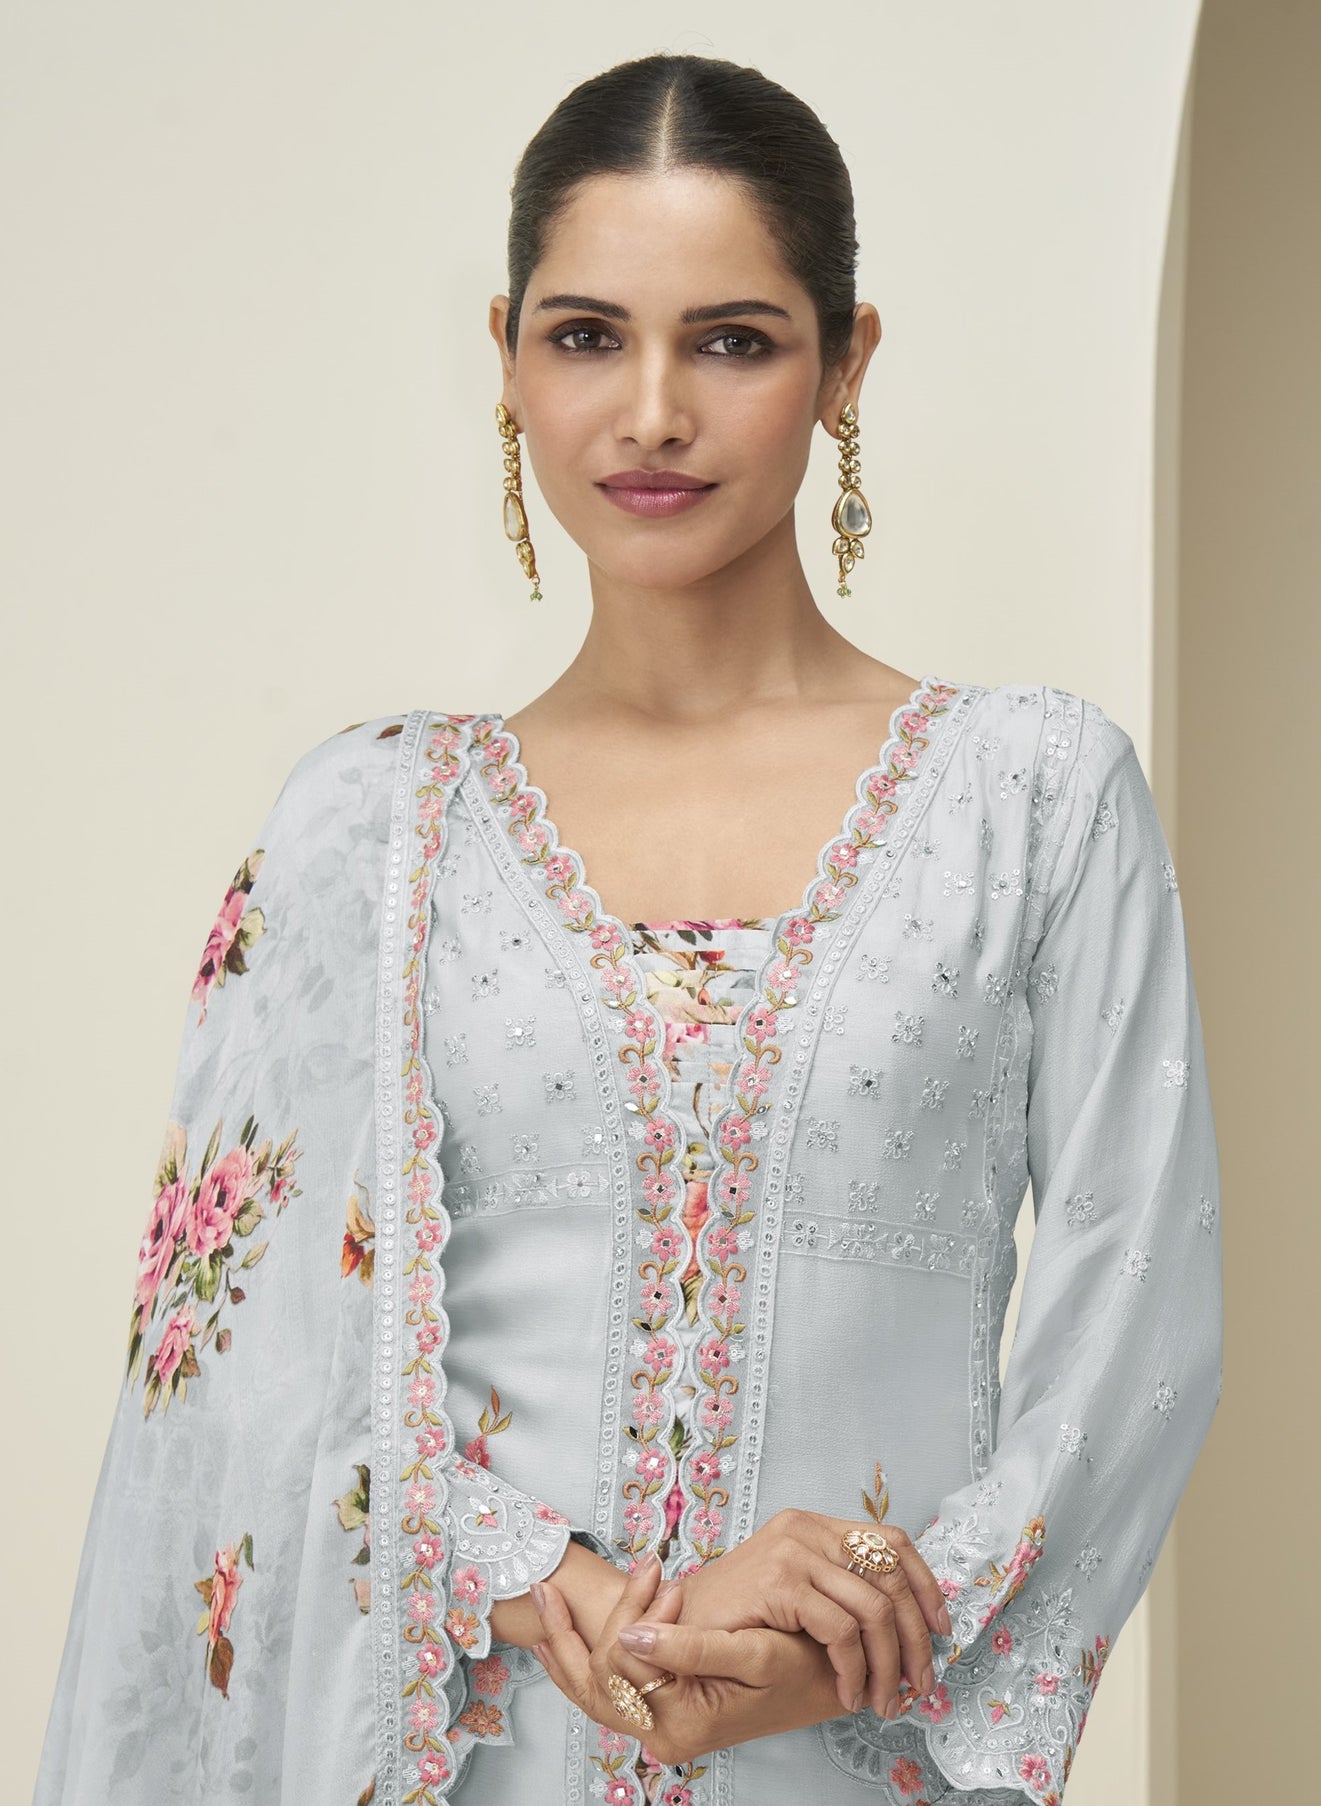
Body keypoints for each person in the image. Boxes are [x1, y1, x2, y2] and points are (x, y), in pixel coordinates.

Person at [34, 50, 1223, 1806]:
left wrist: (872, 1609)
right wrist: (540, 1571)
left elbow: (1137, 1305)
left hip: (850, 1745)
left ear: (845, 363)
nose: (649, 411)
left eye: (731, 340)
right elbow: (246, 1368)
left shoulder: (1027, 800)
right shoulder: (369, 830)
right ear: (506, 358)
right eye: (585, 336)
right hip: (476, 1749)